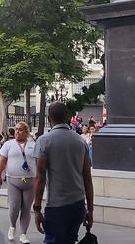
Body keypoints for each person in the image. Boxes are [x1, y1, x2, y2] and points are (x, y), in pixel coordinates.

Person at [33, 102, 94, 244]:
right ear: (67, 117)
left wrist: (37, 209)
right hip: (77, 204)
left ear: (49, 119)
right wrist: (90, 210)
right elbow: (87, 179)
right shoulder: (80, 141)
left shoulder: (44, 141)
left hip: (56, 205)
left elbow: (40, 178)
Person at [0, 121, 37, 244]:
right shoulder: (8, 144)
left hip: (30, 181)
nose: (18, 132)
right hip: (13, 180)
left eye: (21, 130)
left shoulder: (33, 145)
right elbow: (2, 161)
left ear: (26, 132)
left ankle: (23, 234)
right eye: (16, 129)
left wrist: (40, 178)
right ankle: (12, 225)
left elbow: (38, 162)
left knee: (26, 208)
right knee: (14, 207)